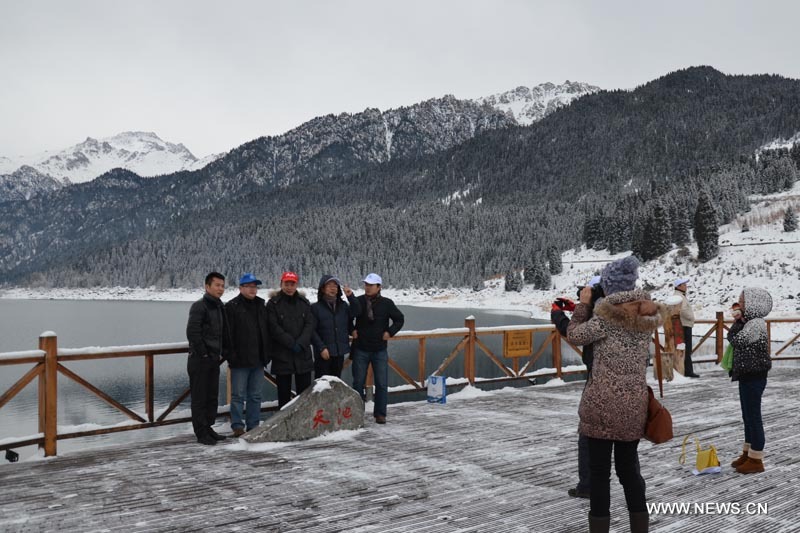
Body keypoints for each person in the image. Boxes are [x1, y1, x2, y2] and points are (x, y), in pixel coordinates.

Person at [567, 256, 664, 533]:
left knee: (599, 475)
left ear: (609, 286)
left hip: (601, 405)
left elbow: (575, 335)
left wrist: (584, 304)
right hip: (634, 405)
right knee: (630, 472)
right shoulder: (645, 314)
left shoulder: (607, 316)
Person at [550, 275, 603, 500]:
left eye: (585, 291)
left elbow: (573, 333)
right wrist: (579, 307)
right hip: (625, 387)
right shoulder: (619, 311)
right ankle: (628, 490)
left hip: (597, 382)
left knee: (588, 435)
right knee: (622, 444)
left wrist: (557, 313)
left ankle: (588, 486)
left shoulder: (598, 316)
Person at [728, 287, 772, 474]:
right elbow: (735, 338)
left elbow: (736, 340)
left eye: (743, 301)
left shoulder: (756, 324)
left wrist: (737, 322)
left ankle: (756, 459)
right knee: (747, 416)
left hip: (754, 376)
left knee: (754, 417)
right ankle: (748, 453)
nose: (740, 304)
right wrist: (739, 320)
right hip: (747, 375)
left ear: (753, 304)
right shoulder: (748, 322)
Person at [351, 273, 404, 424]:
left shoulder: (387, 303)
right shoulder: (358, 301)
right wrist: (351, 330)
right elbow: (347, 317)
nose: (367, 287)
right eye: (366, 284)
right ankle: (357, 414)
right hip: (360, 348)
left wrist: (390, 332)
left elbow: (399, 319)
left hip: (380, 349)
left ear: (379, 287)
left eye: (371, 285)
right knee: (358, 383)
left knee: (381, 383)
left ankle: (380, 414)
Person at [186, 272, 231, 445]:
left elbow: (223, 333)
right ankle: (201, 432)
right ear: (207, 286)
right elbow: (193, 333)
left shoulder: (220, 306)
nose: (220, 289)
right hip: (199, 360)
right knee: (199, 397)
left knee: (212, 396)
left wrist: (225, 351)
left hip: (213, 360)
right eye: (217, 285)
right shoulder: (199, 306)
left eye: (222, 286)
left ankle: (209, 427)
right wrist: (204, 354)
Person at [225, 273, 270, 437]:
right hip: (239, 361)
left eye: (255, 287)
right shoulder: (231, 306)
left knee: (255, 395)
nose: (253, 290)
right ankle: (237, 426)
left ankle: (253, 425)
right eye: (249, 286)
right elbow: (227, 335)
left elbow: (266, 331)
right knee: (237, 396)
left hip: (258, 360)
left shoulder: (261, 305)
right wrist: (231, 356)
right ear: (241, 288)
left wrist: (267, 353)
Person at [266, 271, 315, 408]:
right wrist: (291, 343)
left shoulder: (304, 303)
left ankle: (304, 423)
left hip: (302, 353)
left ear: (296, 285)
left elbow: (310, 324)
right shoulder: (273, 304)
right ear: (281, 284)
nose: (289, 287)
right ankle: (285, 425)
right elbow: (273, 327)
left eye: (292, 284)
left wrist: (300, 343)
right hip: (282, 355)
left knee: (305, 395)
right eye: (286, 284)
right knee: (283, 396)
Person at [311, 275, 361, 379]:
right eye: (329, 285)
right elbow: (312, 331)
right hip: (323, 353)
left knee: (336, 382)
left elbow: (356, 312)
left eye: (335, 286)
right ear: (323, 288)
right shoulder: (315, 308)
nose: (333, 288)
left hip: (339, 352)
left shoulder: (343, 306)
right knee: (321, 385)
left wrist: (350, 296)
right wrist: (321, 348)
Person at [674, 278, 699, 377]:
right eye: (684, 285)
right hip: (684, 325)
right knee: (687, 349)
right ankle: (688, 372)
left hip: (683, 324)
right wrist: (691, 317)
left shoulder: (680, 296)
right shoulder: (679, 296)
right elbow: (683, 310)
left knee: (685, 349)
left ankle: (685, 371)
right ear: (679, 286)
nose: (686, 286)